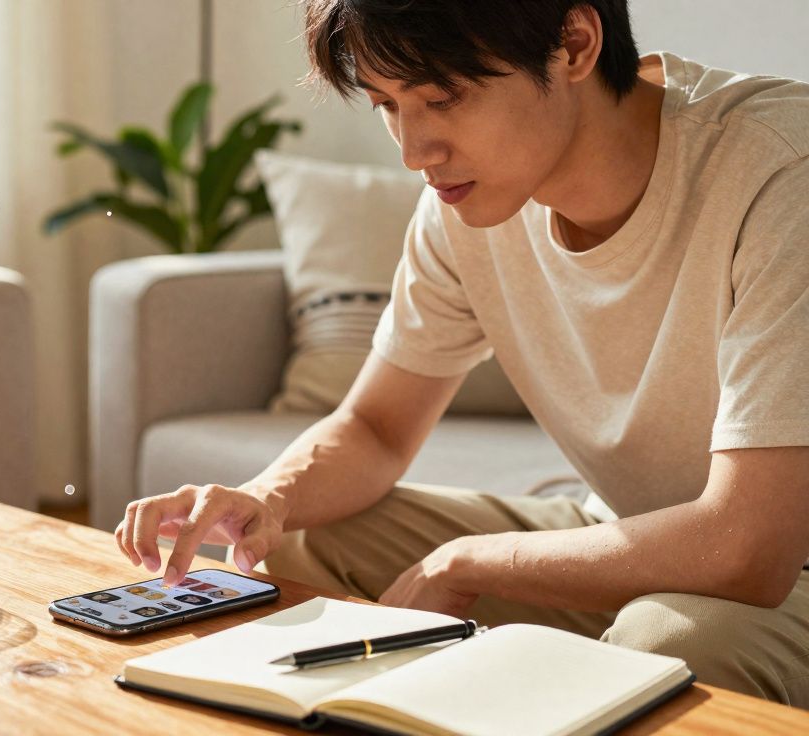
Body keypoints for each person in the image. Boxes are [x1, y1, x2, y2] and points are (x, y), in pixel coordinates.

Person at [112, 0, 809, 706]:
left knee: (669, 646)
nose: (414, 153)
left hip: (784, 568)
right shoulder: (464, 204)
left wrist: (471, 561)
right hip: (627, 532)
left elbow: (748, 547)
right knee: (303, 534)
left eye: (443, 98)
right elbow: (377, 428)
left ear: (574, 43)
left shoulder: (782, 170)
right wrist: (266, 498)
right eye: (388, 105)